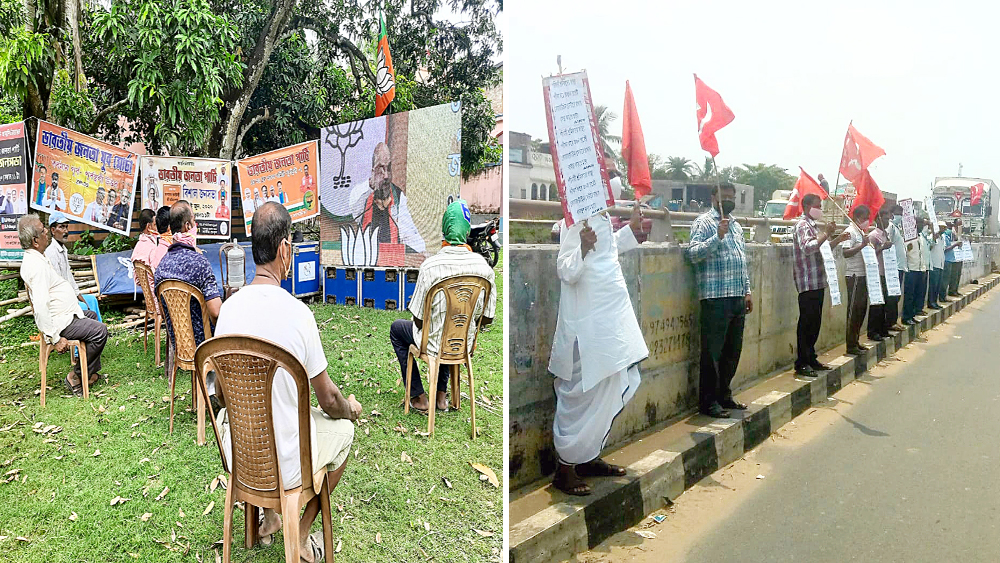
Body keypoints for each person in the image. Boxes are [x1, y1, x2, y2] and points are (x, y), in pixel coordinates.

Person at [213, 202, 360, 560]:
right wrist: (349, 410)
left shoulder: (229, 309)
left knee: (247, 417)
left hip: (241, 458)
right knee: (344, 434)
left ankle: (269, 517)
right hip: (291, 464)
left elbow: (218, 392)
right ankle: (303, 528)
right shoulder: (299, 314)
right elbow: (328, 400)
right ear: (284, 250)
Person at [547, 196, 645, 496]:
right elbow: (566, 269)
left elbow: (607, 251)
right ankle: (565, 469)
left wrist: (630, 229)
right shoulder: (573, 220)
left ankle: (587, 458)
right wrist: (583, 247)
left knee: (609, 384)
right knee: (579, 393)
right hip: (585, 327)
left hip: (609, 322)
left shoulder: (600, 216)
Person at [389, 200, 496, 412]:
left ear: (445, 229)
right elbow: (488, 319)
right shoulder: (484, 268)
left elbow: (419, 319)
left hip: (433, 343)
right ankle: (441, 396)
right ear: (467, 231)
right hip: (463, 344)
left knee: (397, 329)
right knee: (451, 327)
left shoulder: (430, 266)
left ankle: (419, 397)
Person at [18, 214, 108, 395]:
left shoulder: (38, 257)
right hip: (60, 321)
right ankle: (75, 377)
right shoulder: (37, 266)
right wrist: (55, 338)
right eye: (44, 231)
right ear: (36, 241)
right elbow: (41, 306)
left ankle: (88, 373)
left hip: (63, 314)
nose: (47, 233)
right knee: (100, 331)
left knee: (90, 316)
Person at [688, 185, 752, 418]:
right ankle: (708, 402)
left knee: (732, 351)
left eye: (731, 197)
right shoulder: (704, 223)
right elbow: (693, 254)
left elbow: (741, 260)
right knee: (712, 353)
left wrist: (747, 291)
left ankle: (724, 394)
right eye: (724, 197)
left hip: (736, 295)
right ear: (714, 198)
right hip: (715, 296)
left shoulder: (736, 225)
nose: (728, 200)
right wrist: (717, 236)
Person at [154, 201, 222, 365]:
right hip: (205, 345)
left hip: (178, 344)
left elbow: (163, 314)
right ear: (187, 225)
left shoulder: (161, 266)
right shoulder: (199, 262)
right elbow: (216, 312)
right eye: (194, 221)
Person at [792, 194, 848, 376]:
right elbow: (808, 247)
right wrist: (826, 234)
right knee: (806, 322)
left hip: (818, 280)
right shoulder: (802, 226)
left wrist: (835, 240)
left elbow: (820, 248)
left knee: (815, 321)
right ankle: (801, 362)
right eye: (818, 206)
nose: (820, 210)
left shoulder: (814, 226)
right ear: (808, 206)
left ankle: (810, 357)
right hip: (807, 281)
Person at [349, 142, 426, 253]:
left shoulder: (398, 196)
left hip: (391, 263)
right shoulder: (362, 194)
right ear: (373, 171)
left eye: (388, 168)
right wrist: (371, 186)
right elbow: (353, 209)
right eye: (380, 169)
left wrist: (422, 252)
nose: (386, 176)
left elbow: (410, 235)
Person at [45, 211, 103, 322]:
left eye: (66, 227)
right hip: (60, 301)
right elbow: (59, 285)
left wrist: (79, 296)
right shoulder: (51, 253)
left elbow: (69, 278)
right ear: (53, 230)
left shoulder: (63, 250)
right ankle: (91, 333)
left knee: (92, 300)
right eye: (61, 227)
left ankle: (99, 330)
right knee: (84, 307)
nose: (66, 231)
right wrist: (75, 300)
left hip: (69, 295)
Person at [840, 205, 872, 354]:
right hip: (853, 276)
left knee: (861, 310)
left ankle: (856, 340)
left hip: (863, 275)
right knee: (853, 311)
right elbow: (845, 253)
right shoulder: (850, 232)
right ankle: (850, 345)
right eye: (865, 218)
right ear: (858, 217)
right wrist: (862, 245)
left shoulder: (860, 232)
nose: (867, 221)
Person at [865, 211, 893, 342]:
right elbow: (870, 255)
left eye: (888, 219)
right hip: (877, 272)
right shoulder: (873, 236)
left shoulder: (885, 235)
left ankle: (882, 329)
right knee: (876, 303)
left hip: (886, 272)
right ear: (879, 219)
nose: (887, 221)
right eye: (885, 219)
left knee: (884, 303)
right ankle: (873, 331)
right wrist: (882, 247)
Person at [902, 218, 929, 325]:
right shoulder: (908, 238)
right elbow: (904, 252)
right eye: (919, 224)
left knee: (917, 293)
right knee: (909, 295)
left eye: (922, 224)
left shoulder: (921, 237)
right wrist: (907, 249)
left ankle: (912, 315)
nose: (921, 226)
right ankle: (906, 317)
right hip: (911, 269)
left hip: (920, 269)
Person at [884, 206, 907, 331]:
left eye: (901, 214)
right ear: (892, 214)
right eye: (898, 214)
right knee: (892, 297)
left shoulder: (898, 229)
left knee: (896, 296)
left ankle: (893, 321)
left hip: (900, 266)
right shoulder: (891, 227)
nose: (900, 216)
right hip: (894, 267)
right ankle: (890, 323)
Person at [927, 222, 945, 310]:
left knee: (938, 285)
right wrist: (934, 238)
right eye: (941, 227)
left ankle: (935, 302)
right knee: (933, 285)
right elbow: (929, 247)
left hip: (940, 264)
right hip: (934, 265)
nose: (943, 229)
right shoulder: (932, 237)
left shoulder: (942, 238)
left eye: (944, 228)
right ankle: (931, 302)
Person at [943, 219, 963, 297]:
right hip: (952, 258)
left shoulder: (960, 234)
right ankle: (952, 290)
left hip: (959, 256)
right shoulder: (949, 233)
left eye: (961, 225)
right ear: (954, 225)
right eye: (958, 224)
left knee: (958, 274)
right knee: (953, 275)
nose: (960, 226)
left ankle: (955, 289)